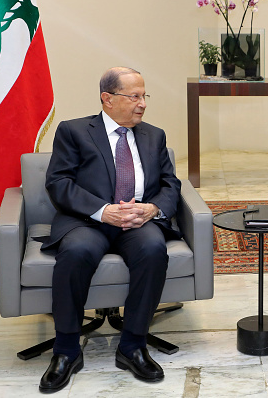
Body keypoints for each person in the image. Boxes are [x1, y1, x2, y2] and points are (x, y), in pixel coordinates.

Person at [38, 67, 181, 393]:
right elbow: (58, 183)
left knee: (153, 250)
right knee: (76, 252)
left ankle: (132, 345)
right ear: (108, 99)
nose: (142, 103)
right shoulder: (74, 131)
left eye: (145, 96)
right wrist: (104, 211)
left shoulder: (154, 135)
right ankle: (67, 350)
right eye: (134, 97)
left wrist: (151, 209)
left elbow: (171, 184)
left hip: (138, 221)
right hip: (88, 220)